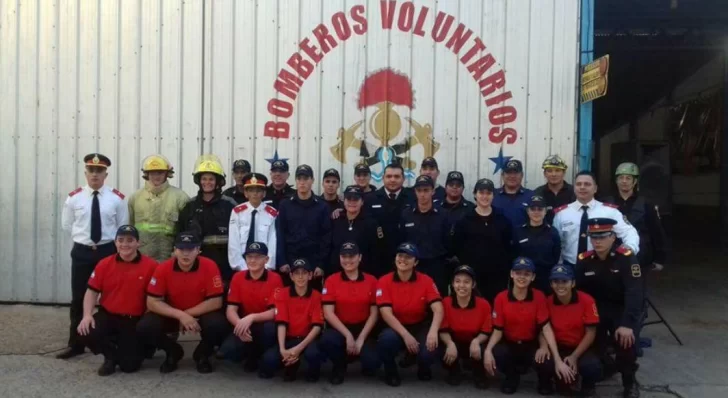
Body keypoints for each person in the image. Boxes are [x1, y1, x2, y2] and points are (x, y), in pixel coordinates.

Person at [59, 153, 129, 359]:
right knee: (79, 297)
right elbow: (67, 225)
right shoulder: (74, 198)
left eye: (99, 171)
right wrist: (85, 241)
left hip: (108, 252)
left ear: (106, 174)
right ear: (85, 173)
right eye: (91, 170)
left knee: (111, 298)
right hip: (82, 252)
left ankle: (112, 339)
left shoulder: (117, 198)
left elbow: (122, 227)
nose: (95, 174)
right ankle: (76, 343)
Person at [137, 232, 230, 374]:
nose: (185, 254)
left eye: (191, 249)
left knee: (218, 325)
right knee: (145, 327)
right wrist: (180, 315)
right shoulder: (163, 268)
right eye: (181, 249)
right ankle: (173, 352)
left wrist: (186, 315)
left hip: (199, 314)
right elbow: (152, 302)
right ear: (174, 250)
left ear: (198, 250)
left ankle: (202, 355)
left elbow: (216, 301)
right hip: (172, 314)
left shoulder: (209, 266)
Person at [483, 257, 574, 395]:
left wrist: (554, 356)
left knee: (546, 359)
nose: (522, 277)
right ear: (512, 274)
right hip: (510, 342)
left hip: (531, 343)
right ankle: (511, 377)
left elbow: (546, 327)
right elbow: (497, 330)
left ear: (533, 277)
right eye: (518, 273)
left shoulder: (539, 296)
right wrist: (488, 351)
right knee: (498, 352)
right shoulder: (501, 298)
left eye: (527, 274)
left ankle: (544, 381)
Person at [576, 218, 644, 398]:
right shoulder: (585, 259)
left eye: (603, 236)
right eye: (594, 237)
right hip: (596, 310)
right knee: (590, 343)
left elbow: (634, 292)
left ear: (613, 237)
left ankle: (629, 383)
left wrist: (627, 323)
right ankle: (590, 381)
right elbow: (579, 292)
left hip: (622, 310)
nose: (598, 241)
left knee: (626, 343)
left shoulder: (626, 258)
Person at [76, 225, 157, 375]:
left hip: (134, 320)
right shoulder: (104, 264)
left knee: (129, 367)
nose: (124, 244)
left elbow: (157, 297)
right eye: (120, 240)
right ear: (115, 243)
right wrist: (87, 315)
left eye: (130, 240)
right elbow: (91, 291)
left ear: (138, 243)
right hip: (108, 315)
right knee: (84, 331)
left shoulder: (151, 266)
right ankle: (110, 357)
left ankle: (128, 349)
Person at [376, 243, 444, 387]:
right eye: (400, 255)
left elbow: (438, 308)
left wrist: (433, 331)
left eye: (408, 257)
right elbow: (385, 313)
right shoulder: (384, 280)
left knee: (430, 347)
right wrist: (406, 335)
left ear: (416, 262)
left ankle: (423, 367)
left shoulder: (426, 280)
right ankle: (391, 371)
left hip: (419, 324)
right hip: (395, 327)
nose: (403, 259)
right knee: (386, 340)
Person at [552, 171, 640, 269]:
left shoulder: (609, 211)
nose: (582, 187)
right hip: (570, 267)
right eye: (578, 184)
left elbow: (629, 232)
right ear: (574, 188)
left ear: (595, 189)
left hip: (601, 267)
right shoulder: (562, 214)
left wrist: (629, 248)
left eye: (587, 184)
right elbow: (556, 243)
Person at [320, 242, 380, 384]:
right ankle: (339, 366)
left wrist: (361, 338)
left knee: (373, 363)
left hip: (363, 328)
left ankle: (361, 358)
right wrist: (347, 335)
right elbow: (328, 313)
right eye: (344, 256)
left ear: (360, 257)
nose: (348, 260)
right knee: (327, 340)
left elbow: (374, 313)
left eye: (352, 256)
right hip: (340, 328)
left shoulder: (371, 280)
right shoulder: (331, 280)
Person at [220, 242, 283, 373]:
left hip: (264, 323)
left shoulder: (275, 278)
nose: (253, 260)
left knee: (270, 329)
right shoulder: (237, 277)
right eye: (249, 256)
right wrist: (239, 325)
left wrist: (252, 317)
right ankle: (250, 355)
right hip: (244, 324)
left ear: (266, 259)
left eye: (258, 257)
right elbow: (231, 309)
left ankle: (262, 355)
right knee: (227, 352)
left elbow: (275, 312)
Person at [260, 258, 324, 381]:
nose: (300, 277)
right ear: (291, 276)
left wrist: (298, 349)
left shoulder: (316, 296)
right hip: (289, 338)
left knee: (313, 354)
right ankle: (290, 364)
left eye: (304, 273)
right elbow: (281, 323)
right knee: (268, 361)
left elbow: (317, 327)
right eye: (296, 273)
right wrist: (282, 349)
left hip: (308, 340)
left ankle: (312, 371)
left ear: (310, 275)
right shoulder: (282, 294)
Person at [452, 178, 514, 303]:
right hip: (473, 276)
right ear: (475, 194)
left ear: (493, 195)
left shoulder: (502, 220)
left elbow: (509, 247)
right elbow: (457, 247)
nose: (484, 196)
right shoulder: (464, 220)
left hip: (497, 276)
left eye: (488, 193)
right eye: (481, 193)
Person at [544, 264, 602, 397]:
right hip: (558, 347)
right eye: (556, 282)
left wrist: (574, 356)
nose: (560, 285)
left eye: (564, 281)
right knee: (544, 362)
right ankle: (550, 381)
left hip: (581, 347)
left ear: (573, 283)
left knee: (592, 366)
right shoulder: (547, 301)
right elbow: (544, 330)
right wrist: (557, 358)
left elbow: (591, 332)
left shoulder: (587, 300)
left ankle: (588, 385)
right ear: (551, 284)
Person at [177, 155, 237, 283]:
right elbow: (180, 231)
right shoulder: (190, 206)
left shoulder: (229, 205)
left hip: (224, 263)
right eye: (204, 179)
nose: (207, 182)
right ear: (199, 181)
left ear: (218, 182)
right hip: (196, 261)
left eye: (211, 179)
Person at [276, 165, 332, 289]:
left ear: (312, 180)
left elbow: (326, 237)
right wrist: (282, 261)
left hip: (313, 262)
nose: (302, 182)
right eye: (299, 178)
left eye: (306, 179)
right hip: (290, 262)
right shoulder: (285, 205)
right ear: (295, 180)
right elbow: (280, 234)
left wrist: (321, 265)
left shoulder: (322, 206)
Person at [605, 162, 667, 270]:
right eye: (621, 178)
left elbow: (656, 231)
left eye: (628, 178)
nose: (624, 181)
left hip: (641, 257)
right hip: (612, 258)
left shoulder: (646, 204)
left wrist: (659, 259)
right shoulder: (606, 203)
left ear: (635, 181)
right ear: (616, 180)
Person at [437, 265, 491, 388]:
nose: (462, 285)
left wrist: (477, 341)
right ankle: (454, 371)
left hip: (475, 340)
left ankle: (479, 373)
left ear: (473, 285)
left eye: (466, 282)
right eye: (458, 281)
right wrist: (450, 343)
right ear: (452, 284)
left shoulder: (483, 304)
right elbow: (443, 329)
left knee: (481, 349)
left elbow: (487, 331)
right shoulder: (445, 302)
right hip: (454, 340)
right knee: (440, 348)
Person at [128, 154, 189, 262]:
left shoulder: (180, 198)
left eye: (160, 172)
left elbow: (186, 230)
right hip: (142, 259)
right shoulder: (135, 198)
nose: (156, 176)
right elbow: (129, 228)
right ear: (147, 174)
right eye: (152, 172)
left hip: (170, 259)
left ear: (167, 174)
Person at [398, 175, 452, 293]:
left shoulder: (444, 215)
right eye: (419, 190)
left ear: (433, 191)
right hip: (413, 267)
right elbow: (402, 240)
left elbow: (449, 242)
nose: (422, 194)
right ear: (415, 192)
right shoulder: (406, 214)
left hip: (437, 267)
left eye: (426, 190)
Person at [364, 163, 415, 271]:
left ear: (403, 178)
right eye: (389, 176)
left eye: (396, 176)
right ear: (383, 178)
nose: (392, 180)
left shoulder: (413, 198)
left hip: (406, 257)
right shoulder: (370, 199)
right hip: (378, 258)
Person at [329, 186, 384, 277]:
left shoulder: (371, 223)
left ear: (362, 202)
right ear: (344, 201)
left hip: (363, 275)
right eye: (349, 199)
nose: (352, 202)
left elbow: (376, 253)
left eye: (356, 199)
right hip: (338, 274)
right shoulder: (336, 220)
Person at [228, 173, 278, 272]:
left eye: (258, 190)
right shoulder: (237, 211)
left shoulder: (271, 213)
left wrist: (268, 266)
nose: (255, 193)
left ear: (264, 194)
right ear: (246, 193)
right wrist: (241, 266)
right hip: (242, 263)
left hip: (264, 264)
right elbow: (233, 241)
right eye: (251, 190)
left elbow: (273, 243)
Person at [513, 195, 561, 292]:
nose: (536, 212)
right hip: (524, 278)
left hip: (545, 280)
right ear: (527, 211)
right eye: (533, 209)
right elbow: (513, 254)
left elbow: (556, 255)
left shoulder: (552, 232)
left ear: (545, 211)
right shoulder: (518, 231)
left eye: (540, 209)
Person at [493, 159, 535, 228]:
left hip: (523, 238)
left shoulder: (531, 196)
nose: (512, 176)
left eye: (516, 173)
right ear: (502, 175)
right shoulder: (492, 195)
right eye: (509, 173)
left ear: (522, 175)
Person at [534, 155, 575, 224]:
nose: (553, 174)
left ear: (564, 173)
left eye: (557, 170)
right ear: (544, 174)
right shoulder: (537, 193)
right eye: (549, 171)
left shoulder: (574, 192)